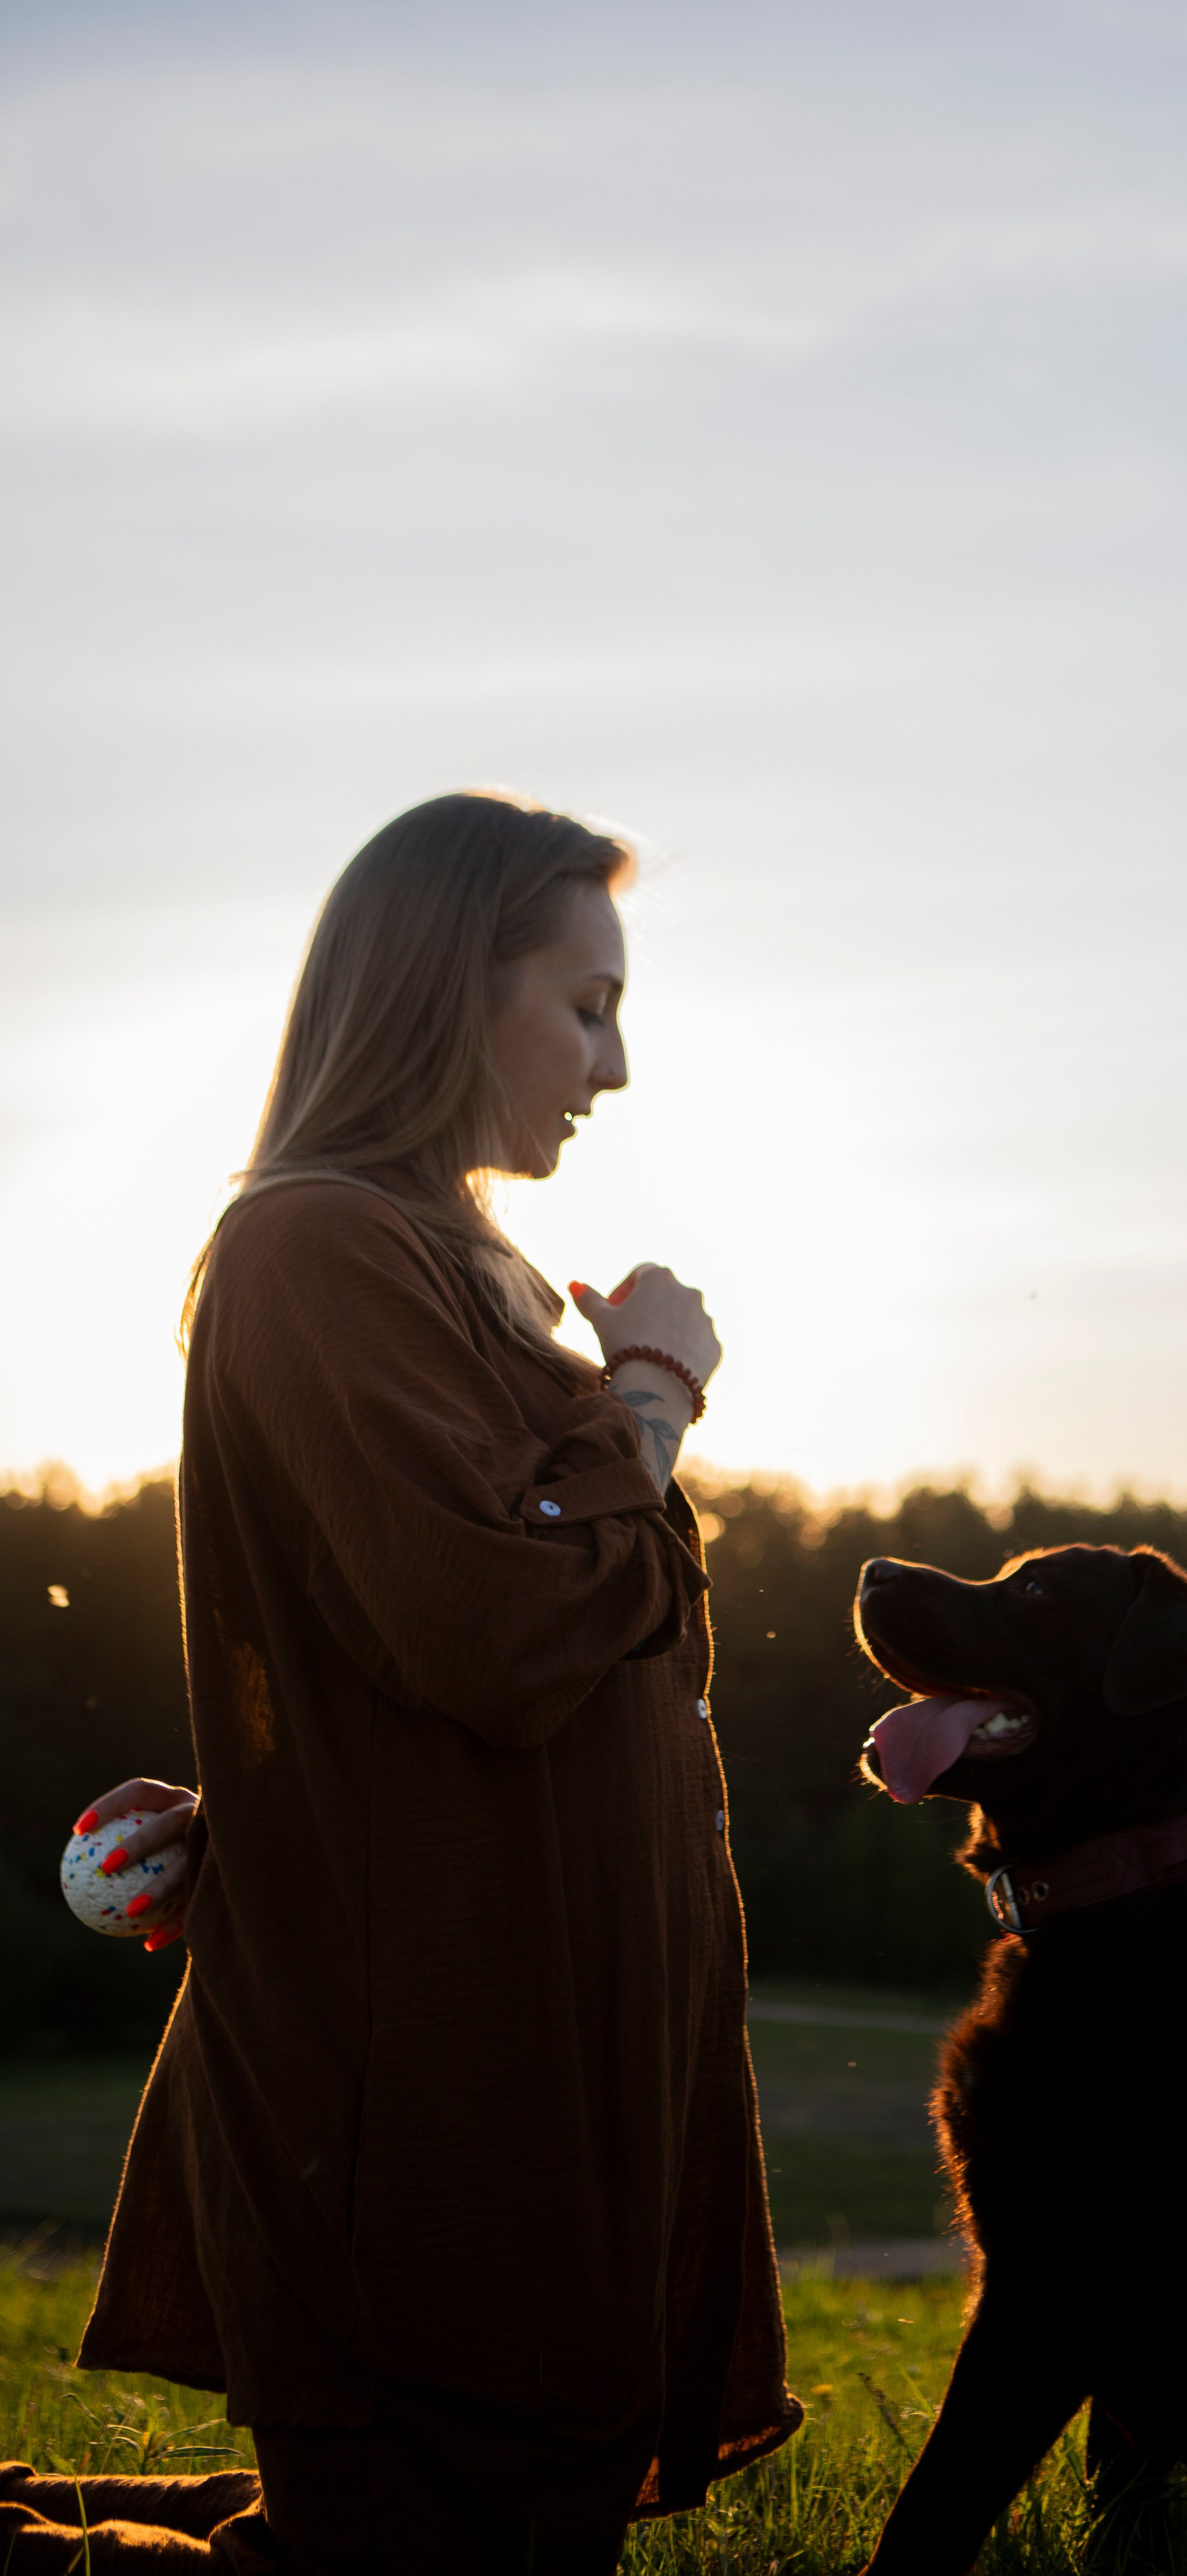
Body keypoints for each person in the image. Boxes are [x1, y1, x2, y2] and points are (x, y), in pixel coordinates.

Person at [17, 791, 801, 2575]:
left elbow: (408, 1623)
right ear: (455, 988)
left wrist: (270, 1789)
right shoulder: (317, 1245)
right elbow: (500, 1622)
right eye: (585, 1003)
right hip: (432, 2075)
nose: (616, 1062)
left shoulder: (459, 1265)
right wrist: (658, 1390)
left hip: (536, 2035)